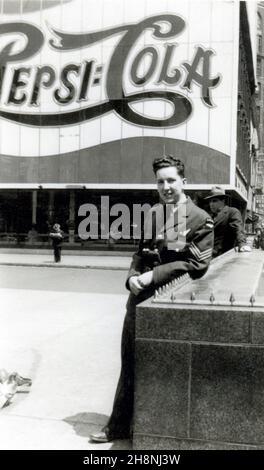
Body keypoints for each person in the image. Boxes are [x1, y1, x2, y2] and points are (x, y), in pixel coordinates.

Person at [90, 154, 214, 443]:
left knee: (165, 368)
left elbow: (197, 264)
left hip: (170, 301)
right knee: (129, 363)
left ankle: (160, 430)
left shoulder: (199, 218)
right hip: (138, 299)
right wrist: (132, 276)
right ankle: (117, 426)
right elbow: (139, 253)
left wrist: (152, 275)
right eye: (161, 181)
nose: (166, 186)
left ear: (185, 181)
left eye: (171, 180)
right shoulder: (154, 213)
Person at [204, 186, 251, 258]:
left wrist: (242, 244)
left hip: (223, 256)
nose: (211, 204)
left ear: (223, 201)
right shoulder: (209, 216)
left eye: (214, 201)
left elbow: (238, 228)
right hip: (207, 256)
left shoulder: (231, 212)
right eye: (210, 201)